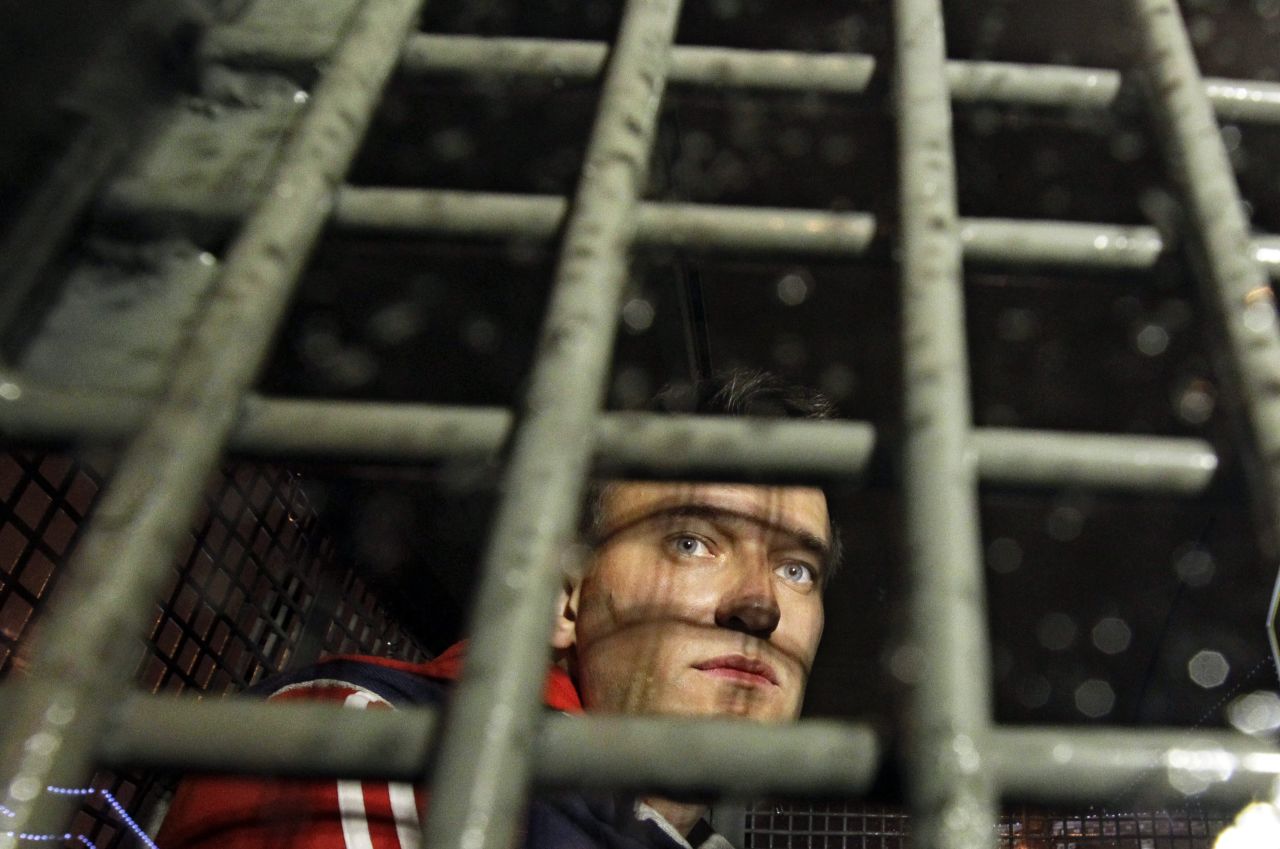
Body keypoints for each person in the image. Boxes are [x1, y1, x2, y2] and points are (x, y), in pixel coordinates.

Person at [156, 369, 841, 849]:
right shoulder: (365, 744)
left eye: (796, 567)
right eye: (692, 542)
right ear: (565, 599)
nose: (760, 603)